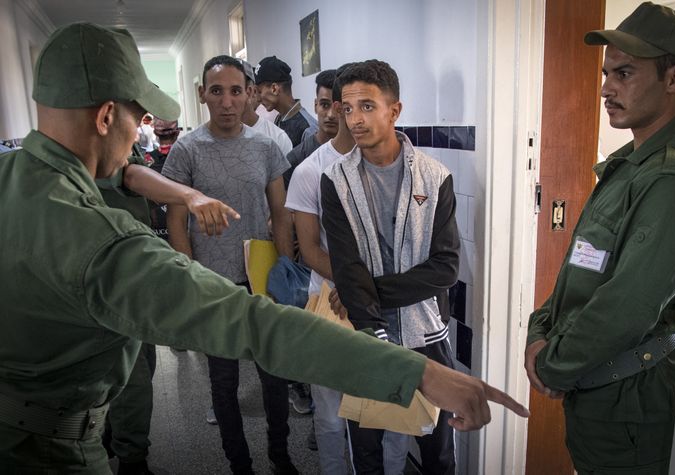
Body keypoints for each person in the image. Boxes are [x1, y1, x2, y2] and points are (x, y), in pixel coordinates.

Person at [0, 22, 528, 474]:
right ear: (105, 117)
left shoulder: (13, 176)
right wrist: (421, 373)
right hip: (48, 448)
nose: (140, 132)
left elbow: (134, 178)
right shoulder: (104, 241)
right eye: (138, 118)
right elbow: (255, 325)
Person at [524, 3, 675, 474]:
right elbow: (580, 271)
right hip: (601, 395)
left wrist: (550, 365)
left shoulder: (671, 179)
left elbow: (628, 305)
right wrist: (539, 328)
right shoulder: (633, 162)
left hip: (631, 409)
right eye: (606, 73)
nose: (605, 88)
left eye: (624, 73)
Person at [321, 60, 460, 474]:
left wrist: (364, 292)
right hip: (367, 333)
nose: (354, 119)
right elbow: (346, 265)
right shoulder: (336, 181)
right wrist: (368, 316)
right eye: (347, 109)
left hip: (426, 331)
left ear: (394, 110)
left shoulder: (435, 178)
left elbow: (446, 268)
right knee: (366, 445)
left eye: (366, 106)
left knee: (437, 447)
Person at [162, 54, 299, 474]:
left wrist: (286, 273)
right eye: (217, 91)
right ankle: (239, 461)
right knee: (223, 382)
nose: (226, 101)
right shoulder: (188, 149)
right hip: (212, 284)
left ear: (249, 95)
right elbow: (176, 220)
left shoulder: (266, 147)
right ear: (203, 94)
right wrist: (189, 279)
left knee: (275, 377)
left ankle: (280, 454)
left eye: (236, 91)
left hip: (262, 282)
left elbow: (280, 213)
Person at [98, 144, 236, 475]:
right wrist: (189, 196)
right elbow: (131, 175)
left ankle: (114, 438)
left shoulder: (115, 145)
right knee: (131, 375)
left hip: (129, 282)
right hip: (108, 283)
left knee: (137, 363)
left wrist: (189, 196)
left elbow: (132, 172)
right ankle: (129, 457)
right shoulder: (88, 153)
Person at [285, 63, 355, 474]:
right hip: (327, 297)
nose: (334, 115)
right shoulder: (311, 169)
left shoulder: (383, 162)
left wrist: (367, 290)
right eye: (326, 105)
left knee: (379, 408)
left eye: (340, 105)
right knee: (330, 412)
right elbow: (308, 249)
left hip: (373, 299)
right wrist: (353, 284)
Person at [254, 56, 318, 147]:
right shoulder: (279, 119)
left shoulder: (308, 129)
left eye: (260, 92)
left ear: (274, 89)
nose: (258, 99)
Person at [239, 60, 293, 156]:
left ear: (251, 91)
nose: (227, 99)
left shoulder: (277, 137)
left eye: (235, 90)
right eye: (218, 91)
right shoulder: (209, 139)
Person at [145, 118, 181, 240]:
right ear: (177, 132)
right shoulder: (188, 158)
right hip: (184, 230)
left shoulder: (145, 162)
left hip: (155, 234)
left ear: (155, 133)